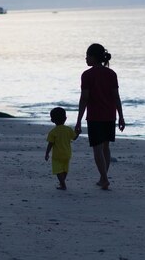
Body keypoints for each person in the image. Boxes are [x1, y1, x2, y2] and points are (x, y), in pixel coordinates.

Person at [75, 43, 125, 190]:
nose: (85, 59)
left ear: (93, 57)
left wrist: (78, 120)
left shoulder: (87, 75)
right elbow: (116, 97)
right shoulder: (111, 74)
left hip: (95, 116)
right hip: (110, 115)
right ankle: (103, 178)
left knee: (97, 148)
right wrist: (121, 117)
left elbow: (84, 98)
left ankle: (104, 178)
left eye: (87, 56)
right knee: (105, 147)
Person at [45, 107, 79, 190]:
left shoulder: (53, 132)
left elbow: (50, 144)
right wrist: (77, 133)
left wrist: (47, 153)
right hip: (67, 154)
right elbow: (74, 138)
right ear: (65, 118)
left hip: (57, 155)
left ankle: (63, 184)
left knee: (58, 170)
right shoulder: (68, 130)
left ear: (52, 120)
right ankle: (62, 182)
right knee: (65, 169)